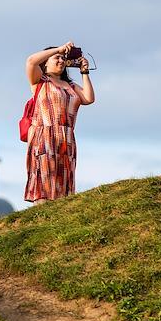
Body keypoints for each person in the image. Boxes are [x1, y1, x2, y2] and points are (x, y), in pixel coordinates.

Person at [24, 41, 94, 203]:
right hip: (45, 134)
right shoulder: (39, 81)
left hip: (66, 136)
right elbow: (31, 61)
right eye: (57, 58)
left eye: (63, 59)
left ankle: (60, 212)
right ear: (46, 62)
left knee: (63, 175)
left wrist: (85, 72)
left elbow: (89, 98)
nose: (61, 61)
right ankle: (41, 211)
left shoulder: (70, 85)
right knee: (45, 174)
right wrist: (59, 49)